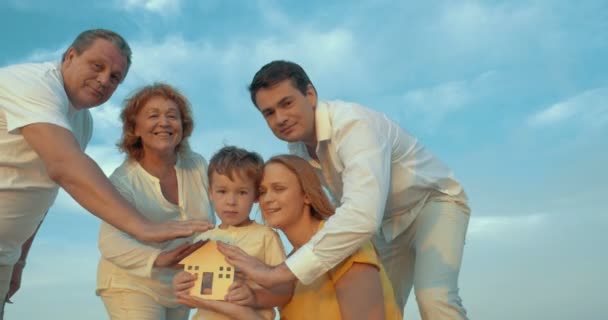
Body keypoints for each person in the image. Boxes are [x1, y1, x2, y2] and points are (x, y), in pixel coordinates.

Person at [219, 60, 471, 319]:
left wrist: (279, 272)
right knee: (384, 302)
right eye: (269, 113)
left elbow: (361, 215)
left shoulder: (354, 125)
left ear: (310, 94)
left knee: (434, 297)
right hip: (383, 223)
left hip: (432, 203)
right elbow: (331, 209)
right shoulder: (297, 149)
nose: (280, 118)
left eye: (287, 103)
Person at [0, 29, 211, 317]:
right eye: (97, 66)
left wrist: (19, 261)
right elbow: (64, 166)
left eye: (115, 77)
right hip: (131, 286)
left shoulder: (81, 123)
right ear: (70, 56)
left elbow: (41, 195)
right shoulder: (32, 84)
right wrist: (144, 228)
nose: (104, 80)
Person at [180, 155, 402, 319]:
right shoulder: (288, 265)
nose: (267, 199)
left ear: (306, 194)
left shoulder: (343, 243)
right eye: (263, 191)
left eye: (278, 188)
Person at [96, 83, 216, 319]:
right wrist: (159, 259)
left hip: (181, 284)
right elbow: (109, 241)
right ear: (135, 128)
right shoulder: (123, 181)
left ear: (183, 127)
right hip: (132, 283)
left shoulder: (197, 166)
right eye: (153, 116)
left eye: (172, 116)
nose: (164, 122)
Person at [174, 146, 288, 320]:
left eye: (242, 192)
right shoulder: (203, 239)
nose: (231, 201)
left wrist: (252, 294)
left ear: (256, 196)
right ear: (210, 193)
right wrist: (182, 284)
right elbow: (193, 296)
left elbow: (282, 290)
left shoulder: (266, 237)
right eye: (222, 191)